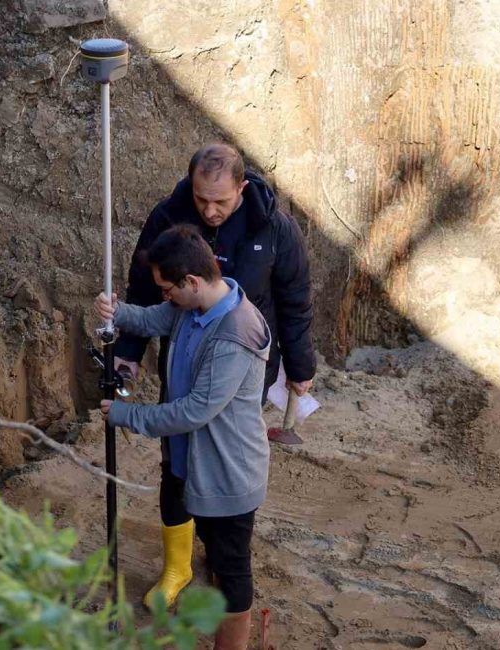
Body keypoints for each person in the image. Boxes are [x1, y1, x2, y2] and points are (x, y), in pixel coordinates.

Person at [114, 143, 316, 610]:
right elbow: (145, 292)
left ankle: (226, 549)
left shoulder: (273, 228)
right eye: (202, 199)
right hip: (185, 357)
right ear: (190, 184)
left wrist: (300, 367)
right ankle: (177, 565)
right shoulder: (169, 219)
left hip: (244, 364)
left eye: (221, 202)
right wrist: (127, 354)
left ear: (242, 188)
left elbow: (295, 298)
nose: (210, 211)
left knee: (226, 457)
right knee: (179, 460)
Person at [97, 224, 270, 650]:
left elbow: (194, 410)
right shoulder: (192, 306)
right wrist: (115, 312)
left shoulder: (234, 334)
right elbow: (152, 318)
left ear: (191, 281)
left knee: (231, 572)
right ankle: (186, 575)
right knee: (184, 516)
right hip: (188, 460)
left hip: (227, 474)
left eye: (167, 288)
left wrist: (126, 414)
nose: (164, 296)